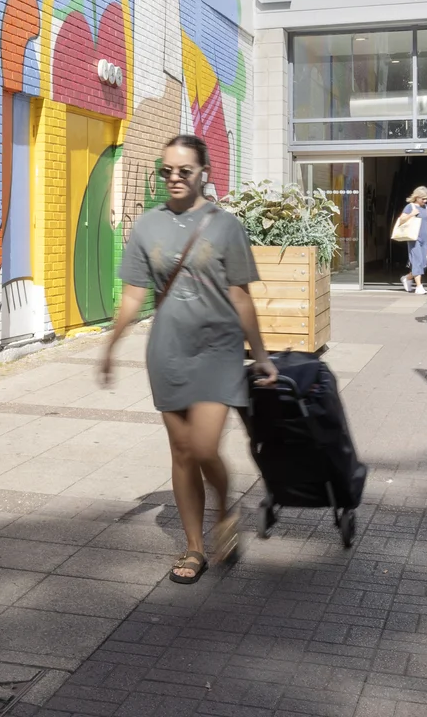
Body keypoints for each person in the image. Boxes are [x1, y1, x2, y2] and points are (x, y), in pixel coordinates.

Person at [99, 134, 276, 585]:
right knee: (181, 453)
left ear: (204, 174)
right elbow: (134, 296)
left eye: (184, 171)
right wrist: (111, 346)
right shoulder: (147, 226)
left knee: (203, 447)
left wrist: (261, 356)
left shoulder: (225, 225)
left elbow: (241, 296)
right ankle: (195, 547)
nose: (174, 178)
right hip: (168, 351)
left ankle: (224, 511)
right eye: (167, 171)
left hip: (218, 350)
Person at [398, 186, 427, 294]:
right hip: (414, 238)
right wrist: (412, 214)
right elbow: (401, 220)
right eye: (423, 198)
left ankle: (407, 278)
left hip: (426, 239)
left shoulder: (426, 207)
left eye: (426, 198)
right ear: (417, 197)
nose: (425, 201)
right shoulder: (410, 207)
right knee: (417, 261)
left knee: (424, 263)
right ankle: (419, 286)